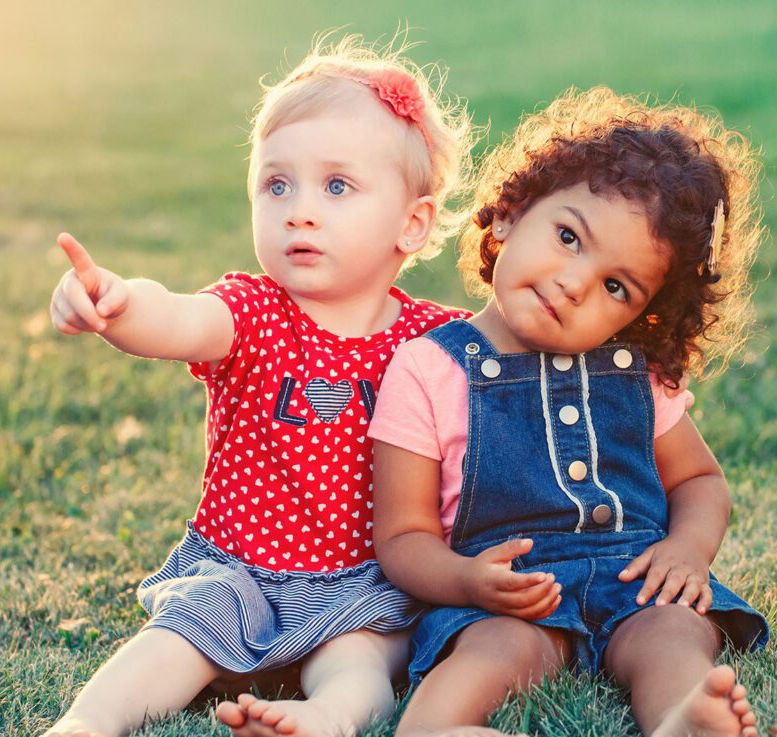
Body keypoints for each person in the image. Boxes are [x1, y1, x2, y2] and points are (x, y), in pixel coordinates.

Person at [42, 35, 474, 737]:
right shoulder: (251, 310)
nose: (299, 209)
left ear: (412, 222)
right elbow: (177, 318)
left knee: (365, 659)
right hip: (237, 567)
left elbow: (516, 358)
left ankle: (323, 717)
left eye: (337, 186)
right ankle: (87, 723)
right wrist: (119, 306)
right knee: (172, 642)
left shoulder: (432, 341)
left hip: (361, 581)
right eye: (277, 184)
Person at [369, 86, 771, 737]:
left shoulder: (637, 375)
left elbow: (700, 480)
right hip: (508, 594)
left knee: (672, 631)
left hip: (634, 576)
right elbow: (402, 536)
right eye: (567, 236)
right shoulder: (429, 368)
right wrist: (470, 582)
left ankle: (684, 718)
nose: (575, 282)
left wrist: (687, 551)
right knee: (495, 649)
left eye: (617, 286)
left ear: (645, 314)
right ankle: (436, 728)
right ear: (507, 216)